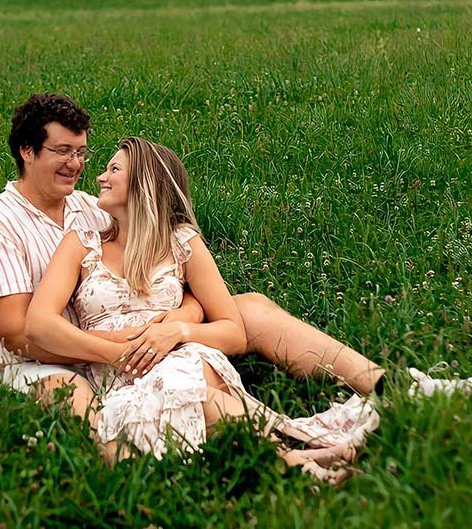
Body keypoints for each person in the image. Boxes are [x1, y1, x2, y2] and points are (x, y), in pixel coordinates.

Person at [0, 93, 472, 418]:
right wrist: (129, 346)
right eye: (62, 152)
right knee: (83, 405)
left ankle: (392, 386)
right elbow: (20, 335)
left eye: (82, 152)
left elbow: (171, 273)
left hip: (132, 338)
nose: (77, 165)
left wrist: (178, 323)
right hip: (45, 362)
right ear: (27, 151)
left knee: (246, 308)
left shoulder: (92, 210)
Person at [26, 136, 379, 482]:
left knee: (181, 385)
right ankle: (298, 452)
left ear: (144, 182)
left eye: (114, 169)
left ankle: (297, 460)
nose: (101, 177)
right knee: (188, 400)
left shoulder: (181, 242)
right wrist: (116, 353)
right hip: (118, 379)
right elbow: (38, 323)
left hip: (183, 356)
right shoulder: (81, 244)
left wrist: (177, 332)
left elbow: (233, 331)